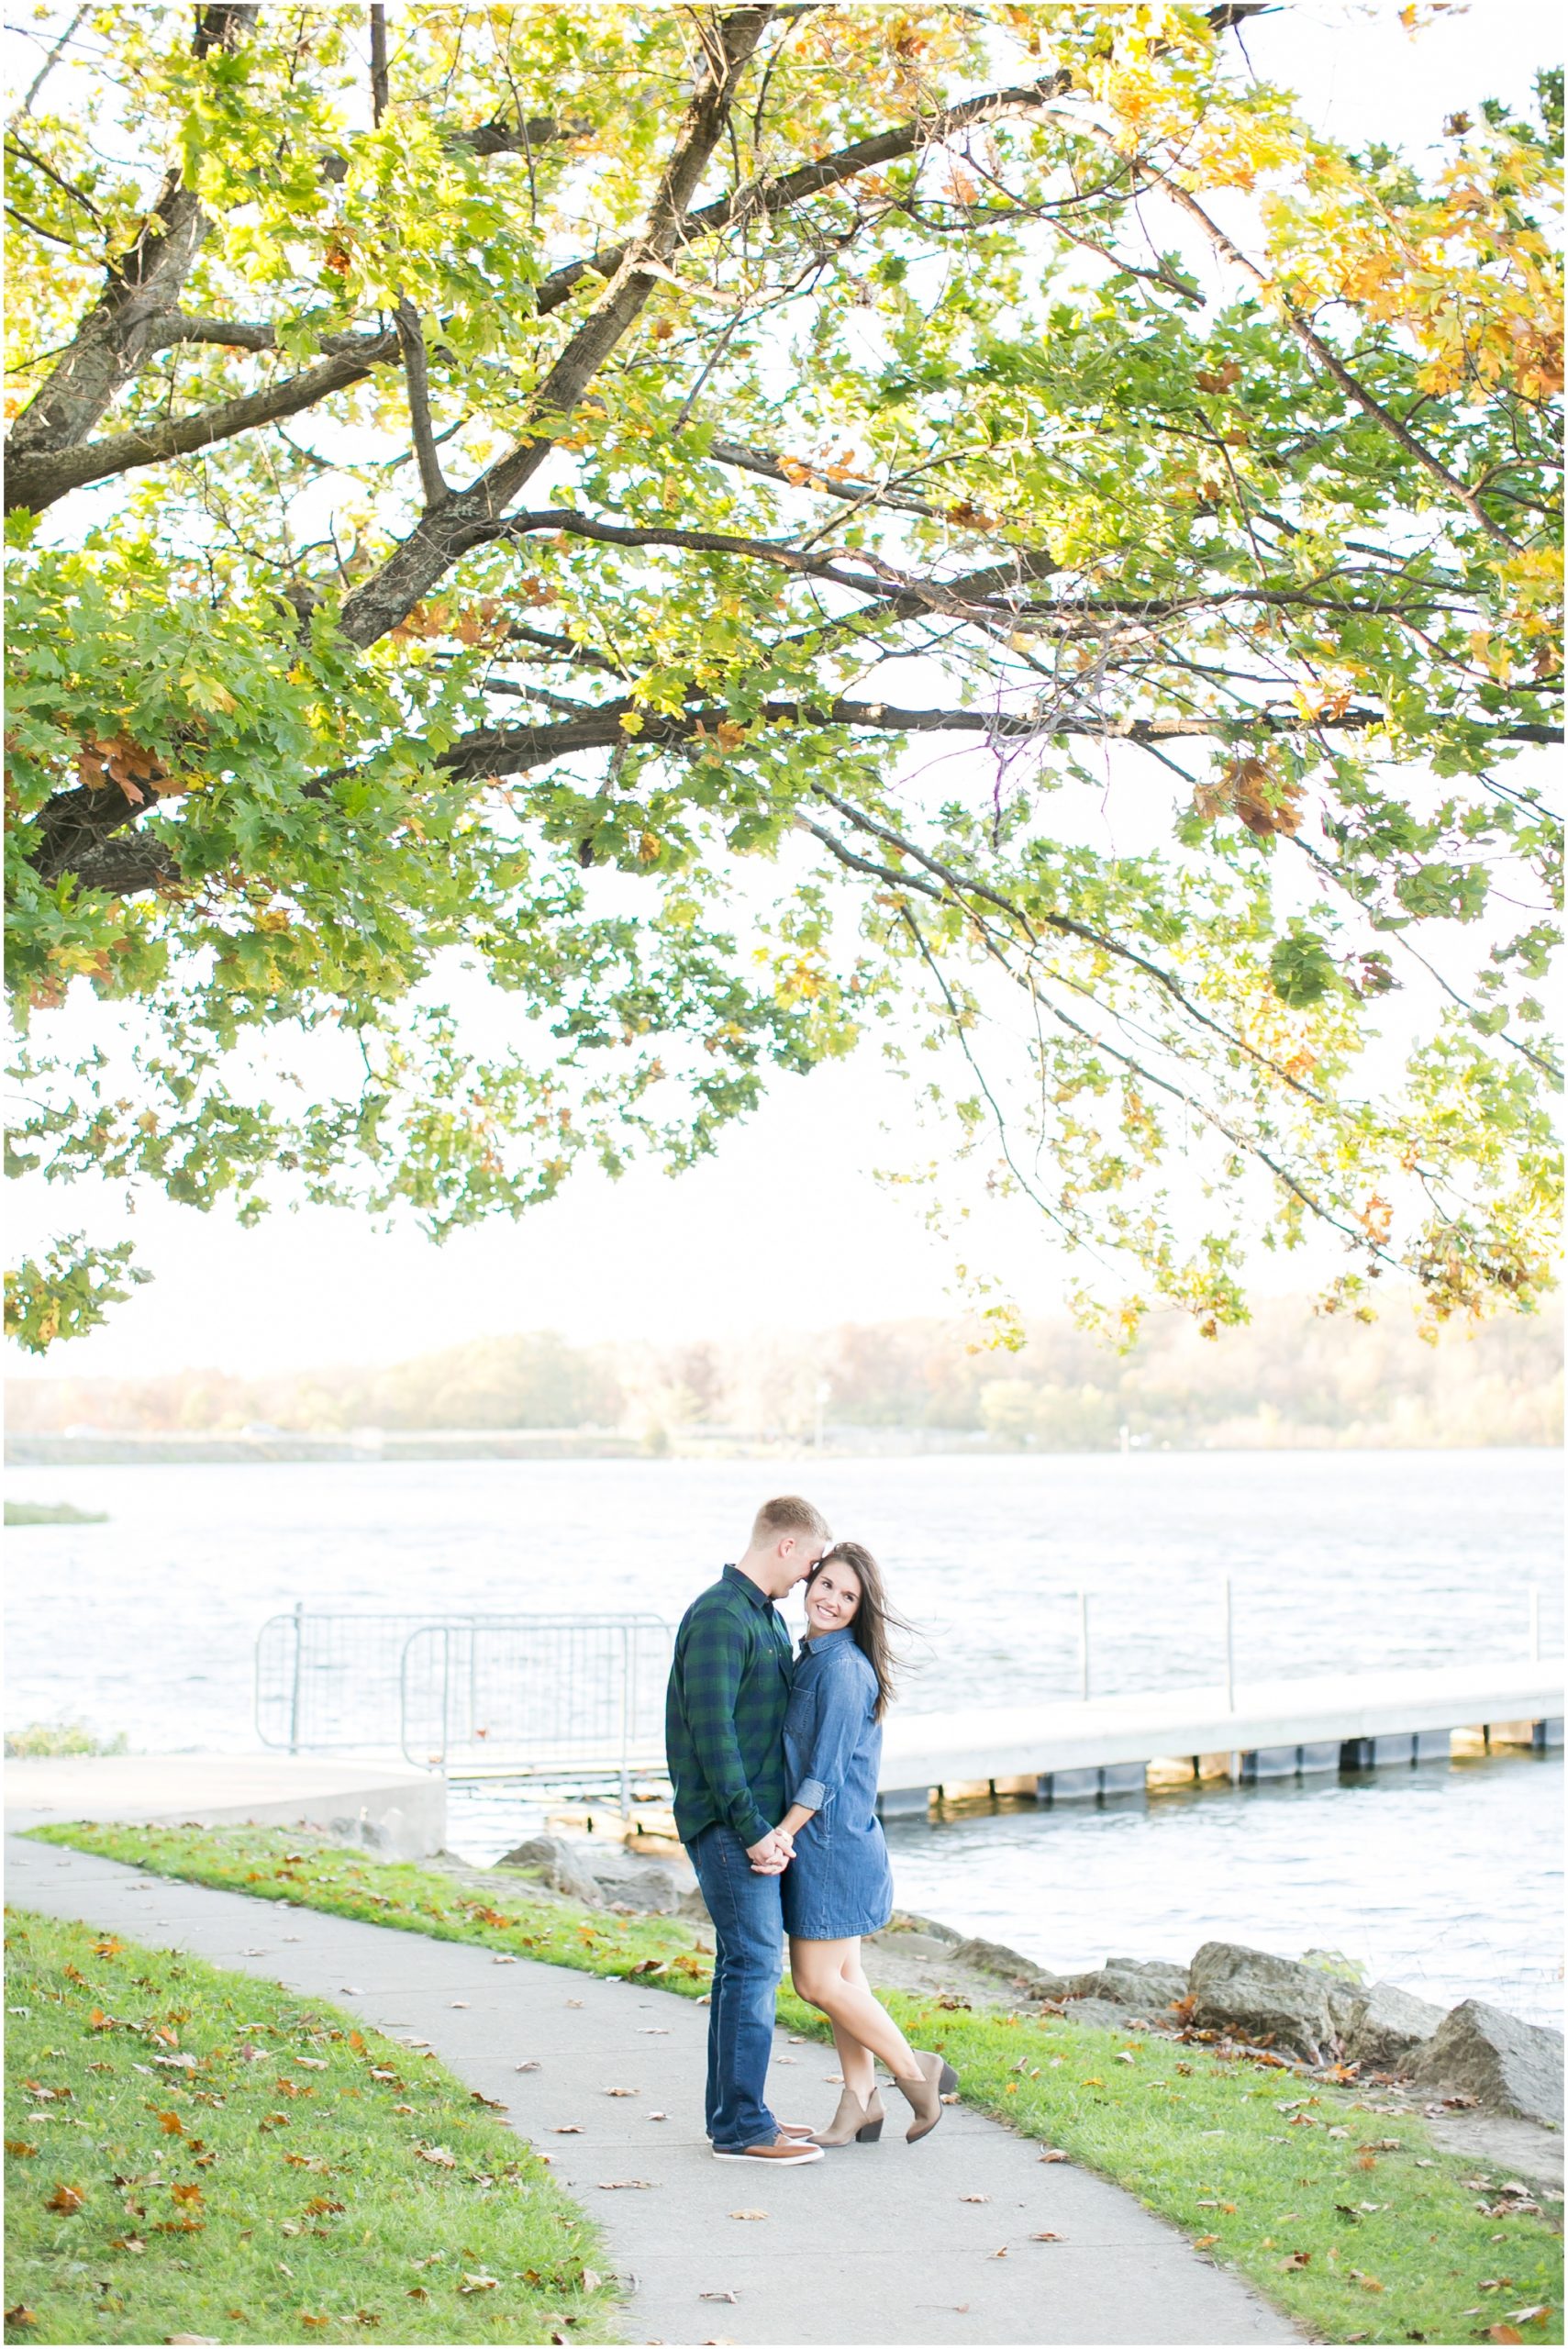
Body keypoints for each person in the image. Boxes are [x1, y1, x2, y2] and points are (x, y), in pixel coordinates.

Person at [664, 1493, 833, 2165]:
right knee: (754, 1965)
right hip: (729, 1824)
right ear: (784, 1545)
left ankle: (738, 2114)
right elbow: (714, 1738)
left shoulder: (762, 1617)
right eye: (811, 1560)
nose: (809, 1577)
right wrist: (752, 1828)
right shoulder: (717, 1617)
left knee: (742, 1965)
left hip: (757, 1823)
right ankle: (741, 2128)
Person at [773, 1541, 959, 2145]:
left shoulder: (844, 1670)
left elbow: (821, 1776)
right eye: (826, 1585)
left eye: (847, 1596)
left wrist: (781, 1833)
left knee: (815, 1984)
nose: (831, 1600)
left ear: (860, 1610)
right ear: (809, 1583)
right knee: (846, 1979)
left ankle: (915, 2071)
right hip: (837, 1843)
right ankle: (859, 2102)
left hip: (830, 1849)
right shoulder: (815, 1658)